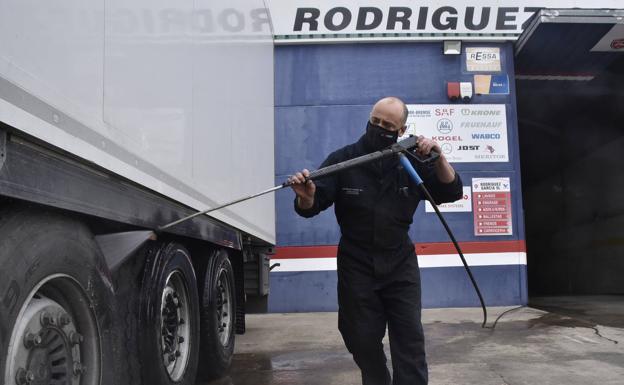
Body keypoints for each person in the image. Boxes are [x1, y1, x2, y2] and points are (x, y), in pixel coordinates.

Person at [288, 97, 463, 385]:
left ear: (401, 129)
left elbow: (451, 191)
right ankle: (377, 376)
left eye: (388, 125)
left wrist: (440, 157)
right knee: (360, 336)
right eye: (376, 121)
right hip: (356, 263)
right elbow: (312, 203)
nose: (379, 128)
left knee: (409, 339)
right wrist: (305, 197)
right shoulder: (343, 160)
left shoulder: (412, 162)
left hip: (399, 262)